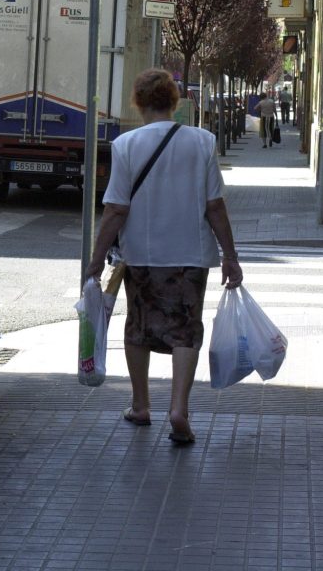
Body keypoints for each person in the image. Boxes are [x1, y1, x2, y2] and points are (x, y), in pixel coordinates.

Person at [85, 68, 243, 445]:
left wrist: (95, 258)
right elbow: (215, 207)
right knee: (185, 330)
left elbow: (115, 209)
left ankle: (141, 405)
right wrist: (230, 256)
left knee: (138, 328)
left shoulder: (126, 145)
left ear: (138, 102)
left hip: (141, 254)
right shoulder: (203, 142)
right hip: (191, 255)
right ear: (174, 101)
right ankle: (179, 409)